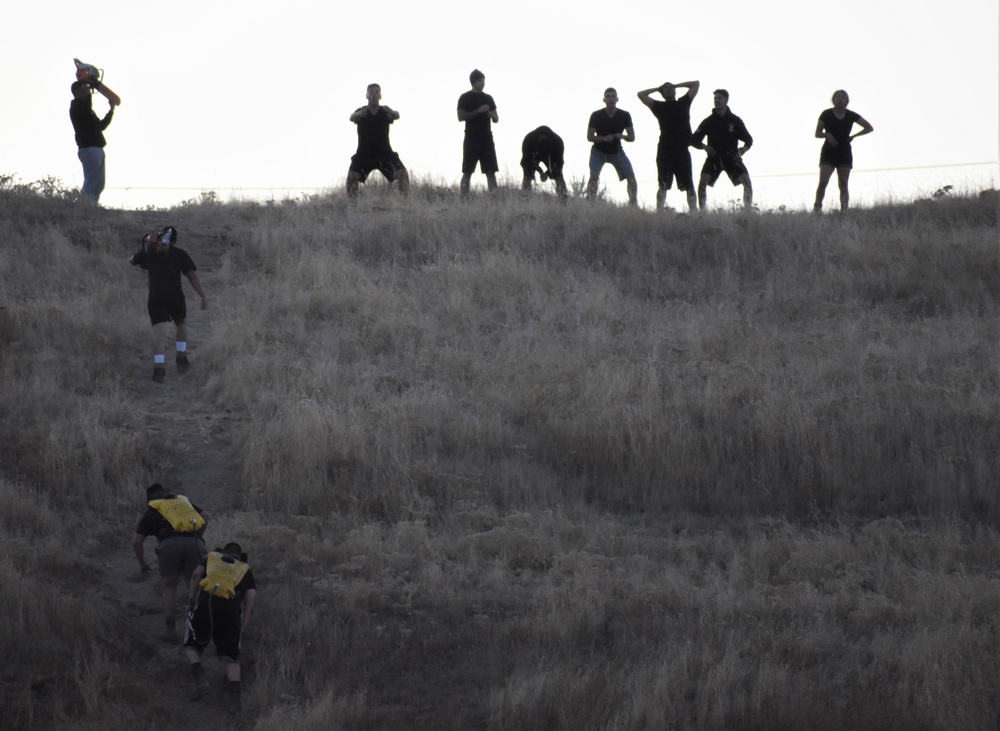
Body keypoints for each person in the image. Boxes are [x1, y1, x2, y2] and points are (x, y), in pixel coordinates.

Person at [184, 541, 257, 713]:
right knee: (232, 658)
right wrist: (240, 632)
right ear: (240, 557)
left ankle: (201, 681)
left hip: (206, 603)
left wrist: (191, 601)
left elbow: (196, 576)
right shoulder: (246, 570)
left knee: (190, 645)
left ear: (223, 552)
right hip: (230, 609)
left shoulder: (211, 558)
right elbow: (250, 607)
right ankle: (235, 702)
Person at [128, 227, 208, 383]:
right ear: (175, 240)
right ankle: (181, 357)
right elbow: (192, 276)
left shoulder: (149, 252)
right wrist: (202, 296)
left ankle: (159, 368)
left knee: (159, 331)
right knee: (181, 324)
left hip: (155, 297)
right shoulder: (180, 254)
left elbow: (132, 261)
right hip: (175, 296)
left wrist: (146, 246)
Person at [133, 483, 209, 643]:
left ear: (149, 501)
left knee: (169, 588)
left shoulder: (151, 512)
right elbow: (206, 516)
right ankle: (200, 630)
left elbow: (137, 542)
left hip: (169, 545)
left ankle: (171, 631)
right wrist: (198, 537)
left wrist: (142, 563)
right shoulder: (182, 503)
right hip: (194, 543)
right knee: (194, 586)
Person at [637, 80, 700, 212]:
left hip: (682, 149)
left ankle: (694, 213)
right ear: (662, 93)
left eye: (671, 87)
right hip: (665, 149)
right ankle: (659, 212)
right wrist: (658, 88)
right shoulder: (658, 106)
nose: (669, 89)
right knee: (663, 184)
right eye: (666, 88)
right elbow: (641, 94)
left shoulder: (684, 102)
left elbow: (696, 84)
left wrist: (675, 85)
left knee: (689, 184)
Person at [691, 89, 754, 211]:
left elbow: (749, 139)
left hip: (732, 157)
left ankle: (747, 212)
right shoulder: (708, 121)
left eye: (719, 98)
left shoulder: (735, 121)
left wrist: (743, 149)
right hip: (714, 158)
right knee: (702, 183)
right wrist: (705, 147)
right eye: (715, 98)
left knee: (747, 181)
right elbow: (693, 140)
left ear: (726, 100)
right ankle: (702, 212)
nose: (717, 101)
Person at [813, 90, 874, 212]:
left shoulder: (851, 115)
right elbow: (817, 133)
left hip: (844, 152)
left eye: (843, 97)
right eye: (837, 97)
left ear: (847, 101)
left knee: (843, 183)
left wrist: (854, 136)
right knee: (823, 182)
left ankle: (844, 210)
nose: (840, 99)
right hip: (828, 152)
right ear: (833, 100)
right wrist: (827, 135)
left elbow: (869, 127)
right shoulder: (826, 114)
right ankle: (817, 207)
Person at [347, 83, 409, 197]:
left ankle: (404, 206)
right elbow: (351, 117)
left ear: (380, 95)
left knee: (403, 174)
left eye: (377, 92)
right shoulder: (362, 111)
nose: (374, 94)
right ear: (367, 95)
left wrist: (392, 111)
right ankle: (352, 208)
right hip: (364, 153)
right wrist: (359, 114)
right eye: (371, 92)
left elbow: (396, 115)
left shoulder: (385, 111)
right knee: (352, 177)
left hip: (384, 152)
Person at [586, 88, 637, 206]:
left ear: (617, 99)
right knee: (594, 176)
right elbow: (589, 136)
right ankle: (590, 203)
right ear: (604, 100)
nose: (610, 99)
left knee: (631, 177)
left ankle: (633, 204)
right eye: (608, 96)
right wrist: (604, 138)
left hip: (617, 152)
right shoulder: (596, 115)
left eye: (613, 96)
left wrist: (622, 136)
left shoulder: (624, 115)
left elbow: (632, 137)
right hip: (598, 151)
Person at [69, 80, 116, 204]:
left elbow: (100, 126)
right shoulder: (77, 107)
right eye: (85, 88)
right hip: (89, 149)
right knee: (91, 182)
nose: (87, 90)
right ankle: (83, 208)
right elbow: (87, 107)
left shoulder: (85, 109)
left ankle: (91, 208)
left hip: (96, 149)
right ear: (77, 91)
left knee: (99, 184)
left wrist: (111, 111)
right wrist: (90, 86)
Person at [457, 69, 499, 196]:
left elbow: (497, 118)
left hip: (487, 139)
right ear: (473, 82)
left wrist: (493, 115)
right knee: (467, 171)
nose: (482, 83)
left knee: (491, 172)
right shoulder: (465, 97)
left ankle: (494, 200)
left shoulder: (488, 98)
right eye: (480, 81)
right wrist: (478, 111)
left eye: (483, 81)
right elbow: (460, 117)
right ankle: (464, 199)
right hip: (471, 138)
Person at [520, 126, 567, 199]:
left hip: (552, 154)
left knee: (558, 175)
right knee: (527, 176)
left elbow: (558, 164)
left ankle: (563, 199)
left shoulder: (558, 143)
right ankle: (525, 198)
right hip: (533, 151)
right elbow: (527, 161)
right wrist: (540, 171)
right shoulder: (528, 141)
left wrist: (548, 173)